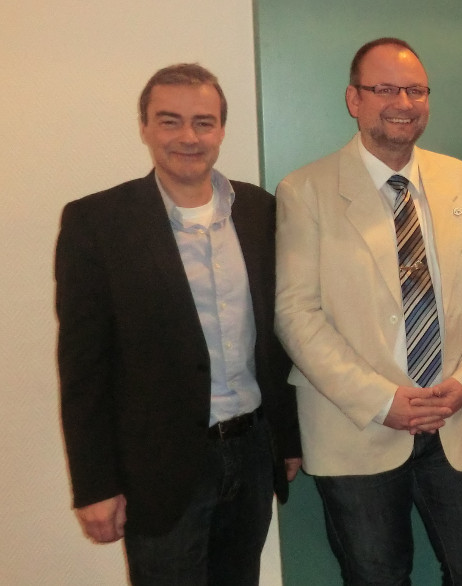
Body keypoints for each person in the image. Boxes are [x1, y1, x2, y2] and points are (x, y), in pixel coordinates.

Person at [274, 38, 462, 584]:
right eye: (385, 89)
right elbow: (296, 314)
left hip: (455, 419)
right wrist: (382, 400)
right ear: (354, 99)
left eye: (415, 90)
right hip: (356, 425)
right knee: (376, 575)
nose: (403, 103)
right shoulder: (305, 191)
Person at [55, 63, 301, 585]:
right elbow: (83, 369)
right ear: (145, 127)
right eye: (170, 121)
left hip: (253, 451)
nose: (188, 137)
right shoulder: (96, 223)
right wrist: (94, 484)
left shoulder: (259, 210)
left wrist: (288, 439)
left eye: (203, 122)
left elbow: (278, 336)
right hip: (159, 469)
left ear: (221, 130)